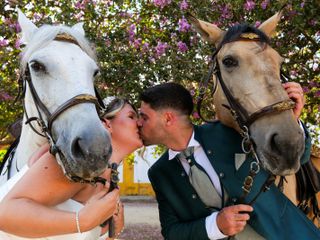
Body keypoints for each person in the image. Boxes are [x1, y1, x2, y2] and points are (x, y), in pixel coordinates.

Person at [137, 82, 319, 239]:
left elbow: (296, 159)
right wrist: (216, 225)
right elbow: (171, 233)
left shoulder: (229, 132)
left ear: (168, 118)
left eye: (144, 117)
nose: (138, 123)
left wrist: (290, 121)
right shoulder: (160, 173)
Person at [0, 97, 143, 239]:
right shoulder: (72, 161)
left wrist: (113, 232)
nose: (140, 123)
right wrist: (83, 221)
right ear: (106, 124)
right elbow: (4, 214)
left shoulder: (107, 177)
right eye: (131, 116)